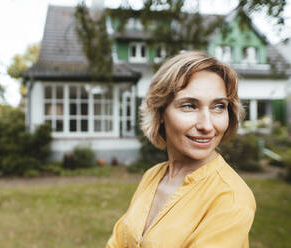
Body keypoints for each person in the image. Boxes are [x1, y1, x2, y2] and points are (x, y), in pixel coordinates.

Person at [106, 51, 256, 248]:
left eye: (219, 106)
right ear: (160, 112)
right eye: (189, 106)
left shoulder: (231, 198)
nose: (207, 125)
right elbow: (118, 242)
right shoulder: (153, 176)